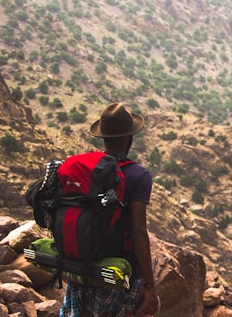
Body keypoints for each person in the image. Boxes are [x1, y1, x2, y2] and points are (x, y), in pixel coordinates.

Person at [60, 102, 160, 317]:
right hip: (117, 272)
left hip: (79, 267)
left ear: (103, 137)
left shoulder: (85, 170)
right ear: (129, 137)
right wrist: (150, 287)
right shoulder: (139, 175)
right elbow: (138, 232)